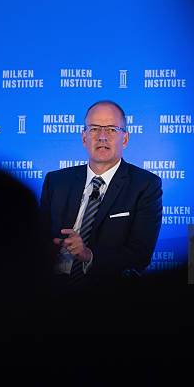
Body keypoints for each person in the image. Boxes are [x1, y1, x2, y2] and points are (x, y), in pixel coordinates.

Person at [40, 100, 162, 285]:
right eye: (94, 129)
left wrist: (87, 255)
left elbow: (140, 256)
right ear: (84, 138)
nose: (102, 137)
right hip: (52, 288)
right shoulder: (56, 181)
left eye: (112, 129)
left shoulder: (145, 185)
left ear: (126, 139)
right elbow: (38, 238)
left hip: (108, 291)